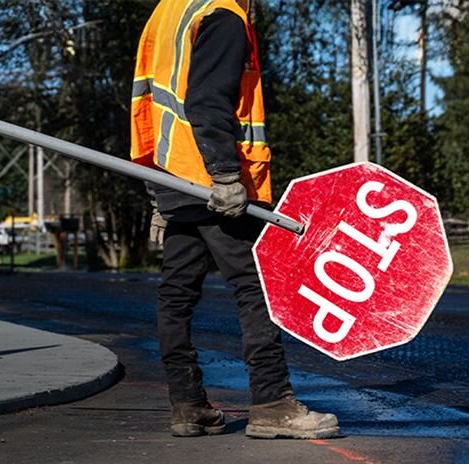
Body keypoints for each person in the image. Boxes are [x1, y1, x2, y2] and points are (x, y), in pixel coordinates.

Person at [131, 0, 339, 439]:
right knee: (257, 287)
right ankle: (272, 403)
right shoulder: (223, 14)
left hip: (174, 175)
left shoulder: (168, 11)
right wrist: (226, 176)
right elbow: (206, 101)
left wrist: (156, 190)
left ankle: (187, 405)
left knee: (176, 293)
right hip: (213, 182)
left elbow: (150, 108)